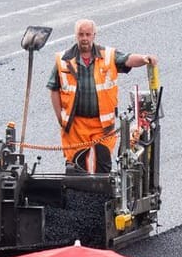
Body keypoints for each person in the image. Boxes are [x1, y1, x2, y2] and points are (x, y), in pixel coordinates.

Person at [47, 19, 156, 174]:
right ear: (75, 36)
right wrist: (61, 118)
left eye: (88, 34)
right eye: (81, 34)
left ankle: (101, 197)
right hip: (76, 126)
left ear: (94, 36)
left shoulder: (108, 56)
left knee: (103, 164)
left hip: (101, 126)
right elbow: (54, 89)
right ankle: (76, 196)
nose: (84, 38)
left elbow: (127, 59)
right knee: (75, 167)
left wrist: (145, 59)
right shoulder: (63, 60)